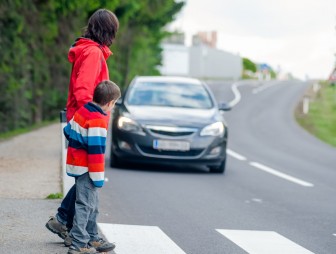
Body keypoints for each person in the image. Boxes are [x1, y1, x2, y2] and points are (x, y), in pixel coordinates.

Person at [45, 8, 119, 249]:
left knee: (84, 180)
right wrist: (95, 118)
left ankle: (63, 221)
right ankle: (84, 236)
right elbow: (84, 92)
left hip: (82, 120)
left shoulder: (89, 51)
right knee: (88, 180)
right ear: (108, 31)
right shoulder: (93, 53)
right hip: (88, 123)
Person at [65, 80, 121, 254]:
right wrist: (98, 178)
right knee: (85, 204)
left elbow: (68, 130)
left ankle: (92, 237)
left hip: (76, 163)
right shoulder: (98, 120)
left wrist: (79, 141)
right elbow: (96, 153)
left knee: (92, 203)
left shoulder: (84, 110)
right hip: (87, 168)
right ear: (110, 103)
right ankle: (79, 243)